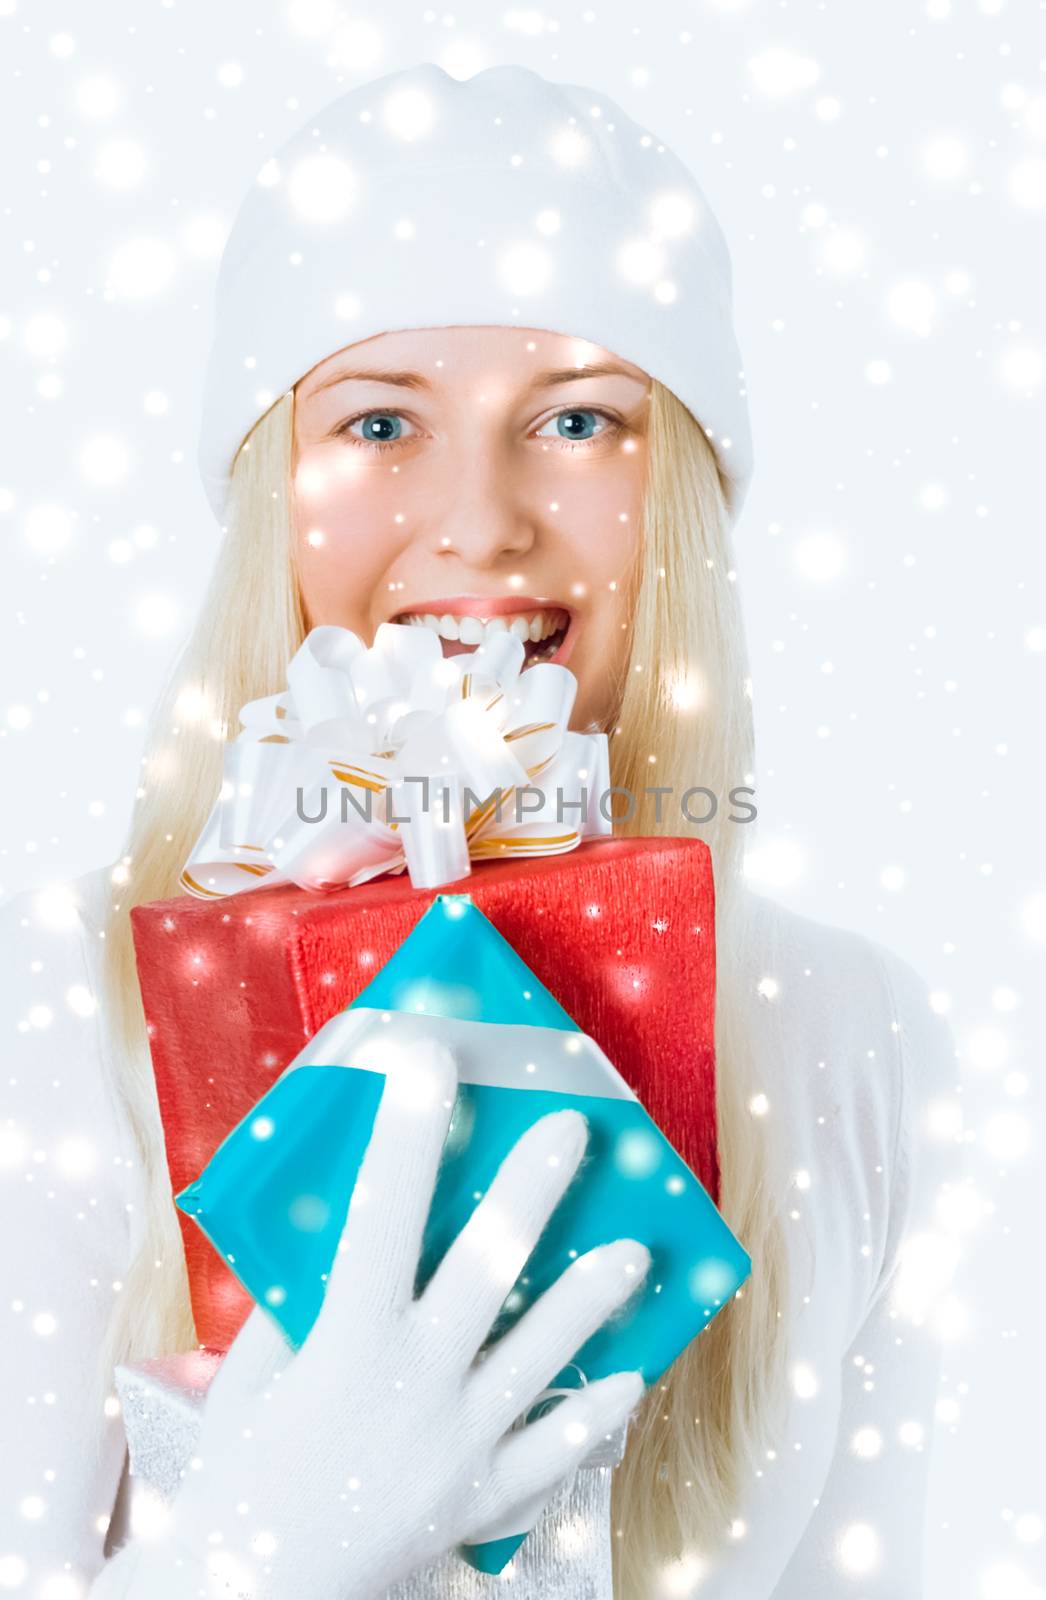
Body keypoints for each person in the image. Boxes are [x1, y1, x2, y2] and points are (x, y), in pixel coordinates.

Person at [0, 62, 960, 1600]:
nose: (479, 524)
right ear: (270, 490)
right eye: (380, 421)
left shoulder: (859, 1038)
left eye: (576, 420)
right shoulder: (49, 1008)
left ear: (685, 491)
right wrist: (271, 1554)